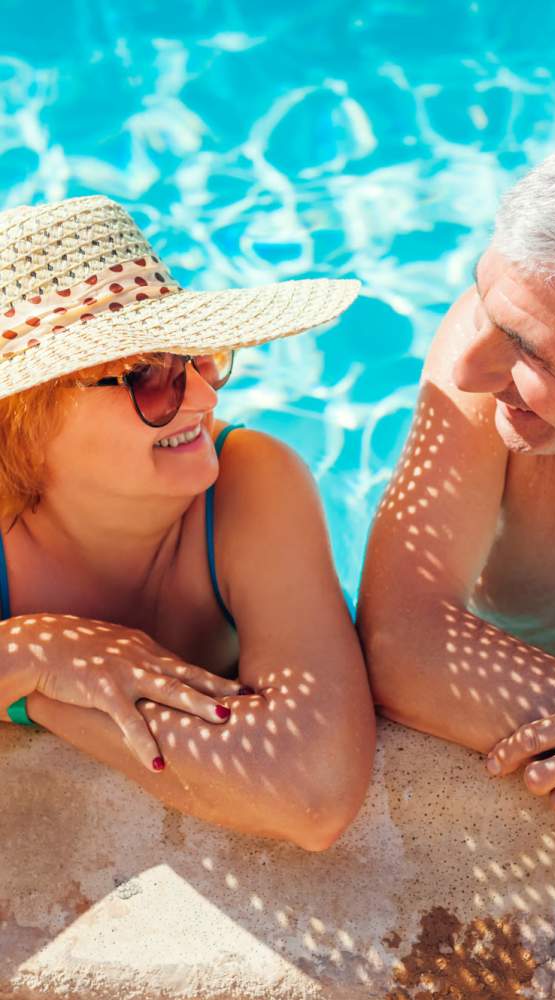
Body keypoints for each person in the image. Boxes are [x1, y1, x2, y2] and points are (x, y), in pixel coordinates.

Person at [0, 194, 375, 851]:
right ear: (23, 420)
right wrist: (36, 652)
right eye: (151, 377)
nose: (205, 397)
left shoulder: (249, 481)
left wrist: (39, 691)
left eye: (197, 359)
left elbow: (314, 794)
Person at [358, 124, 555, 824]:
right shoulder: (506, 322)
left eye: (532, 356)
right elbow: (398, 644)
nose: (468, 370)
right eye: (485, 305)